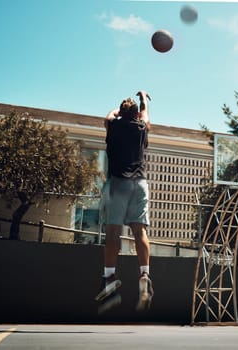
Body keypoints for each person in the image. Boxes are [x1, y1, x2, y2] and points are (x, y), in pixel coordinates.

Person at [95, 90, 153, 313]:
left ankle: (109, 278)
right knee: (140, 232)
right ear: (136, 115)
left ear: (121, 114)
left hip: (117, 183)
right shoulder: (141, 128)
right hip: (139, 184)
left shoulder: (114, 125)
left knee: (112, 233)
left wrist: (118, 110)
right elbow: (146, 115)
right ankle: (144, 274)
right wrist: (143, 98)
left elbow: (108, 117)